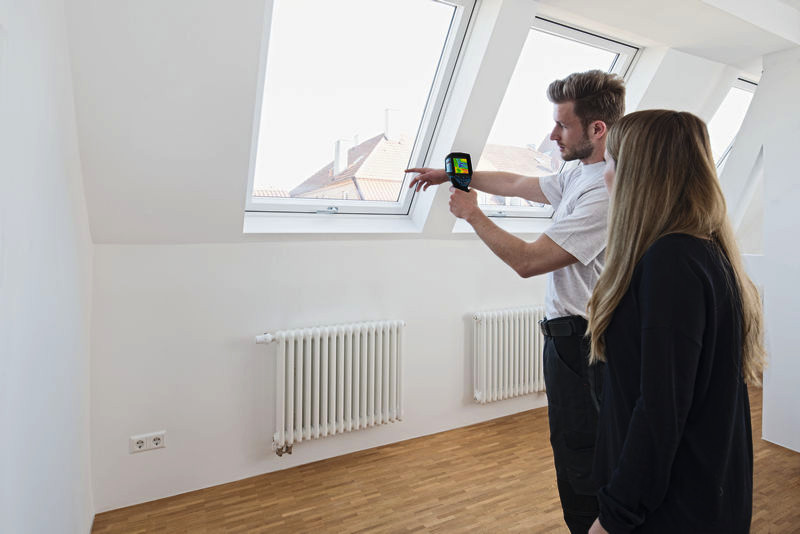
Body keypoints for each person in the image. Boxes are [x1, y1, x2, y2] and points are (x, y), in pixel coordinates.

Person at [408, 70, 626, 533]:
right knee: (570, 447)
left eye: (562, 125)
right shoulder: (579, 171)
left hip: (584, 341)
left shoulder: (604, 193)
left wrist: (472, 215)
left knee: (582, 453)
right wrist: (454, 174)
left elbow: (529, 261)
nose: (553, 134)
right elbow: (516, 182)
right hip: (565, 338)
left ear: (597, 129)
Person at [585, 110, 766, 533]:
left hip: (672, 509)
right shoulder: (706, 252)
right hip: (702, 494)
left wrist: (613, 516)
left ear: (637, 176)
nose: (604, 175)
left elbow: (660, 412)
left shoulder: (670, 263)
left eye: (609, 162)